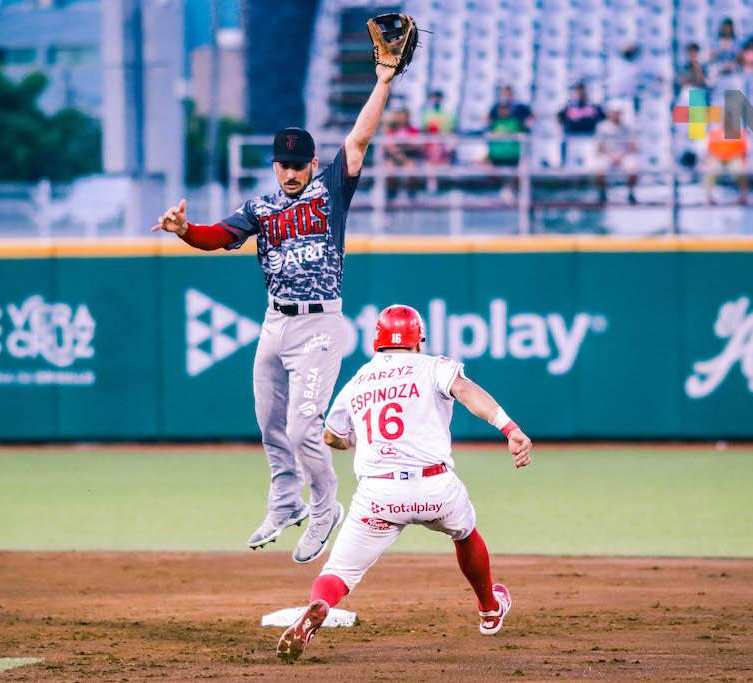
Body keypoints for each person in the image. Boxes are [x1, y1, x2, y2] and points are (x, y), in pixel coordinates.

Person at [152, 47, 399, 565]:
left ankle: (326, 508)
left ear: (313, 164)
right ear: (274, 165)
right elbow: (217, 236)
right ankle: (286, 502)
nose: (290, 172)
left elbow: (359, 139)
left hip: (320, 323)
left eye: (298, 164)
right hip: (275, 323)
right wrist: (184, 231)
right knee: (270, 423)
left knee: (304, 428)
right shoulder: (260, 208)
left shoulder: (330, 191)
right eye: (283, 164)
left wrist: (382, 81)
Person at [275, 305, 534, 662]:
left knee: (338, 572)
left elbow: (332, 436)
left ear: (376, 342)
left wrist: (356, 440)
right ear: (418, 341)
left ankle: (319, 605)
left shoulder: (360, 380)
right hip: (435, 489)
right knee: (464, 533)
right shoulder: (432, 366)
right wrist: (509, 427)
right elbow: (465, 390)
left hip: (379, 495)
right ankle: (490, 609)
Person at [593, 101, 638, 204]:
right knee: (599, 169)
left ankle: (631, 193)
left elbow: (633, 145)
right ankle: (602, 194)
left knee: (634, 168)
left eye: (618, 112)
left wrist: (621, 156)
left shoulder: (627, 127)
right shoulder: (601, 127)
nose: (616, 114)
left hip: (624, 155)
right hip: (607, 155)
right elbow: (599, 147)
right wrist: (611, 156)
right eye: (614, 112)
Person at [487, 85, 534, 166]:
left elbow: (531, 117)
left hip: (515, 148)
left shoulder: (520, 107)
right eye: (504, 94)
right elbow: (488, 120)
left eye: (508, 94)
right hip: (499, 150)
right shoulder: (496, 108)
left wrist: (527, 125)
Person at [704, 125, 749, 205]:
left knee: (741, 171)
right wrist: (710, 160)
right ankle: (709, 198)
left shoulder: (739, 132)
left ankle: (743, 197)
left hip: (734, 158)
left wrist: (742, 160)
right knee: (710, 171)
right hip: (718, 158)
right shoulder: (715, 132)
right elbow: (710, 150)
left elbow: (744, 150)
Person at [420, 90, 456, 165]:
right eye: (434, 98)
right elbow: (425, 130)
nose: (436, 100)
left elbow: (452, 130)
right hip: (431, 141)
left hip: (444, 141)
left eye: (438, 98)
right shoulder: (426, 114)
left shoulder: (449, 115)